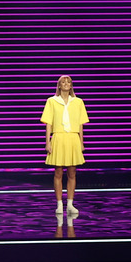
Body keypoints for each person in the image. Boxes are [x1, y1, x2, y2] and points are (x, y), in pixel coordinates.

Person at [41, 75, 90, 214]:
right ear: (59, 85)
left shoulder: (78, 102)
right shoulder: (51, 101)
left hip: (73, 138)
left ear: (71, 85)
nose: (66, 83)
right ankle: (59, 204)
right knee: (58, 172)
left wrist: (81, 142)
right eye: (63, 81)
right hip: (58, 138)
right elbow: (48, 123)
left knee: (72, 172)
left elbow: (80, 124)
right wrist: (48, 142)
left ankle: (70, 204)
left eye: (69, 81)